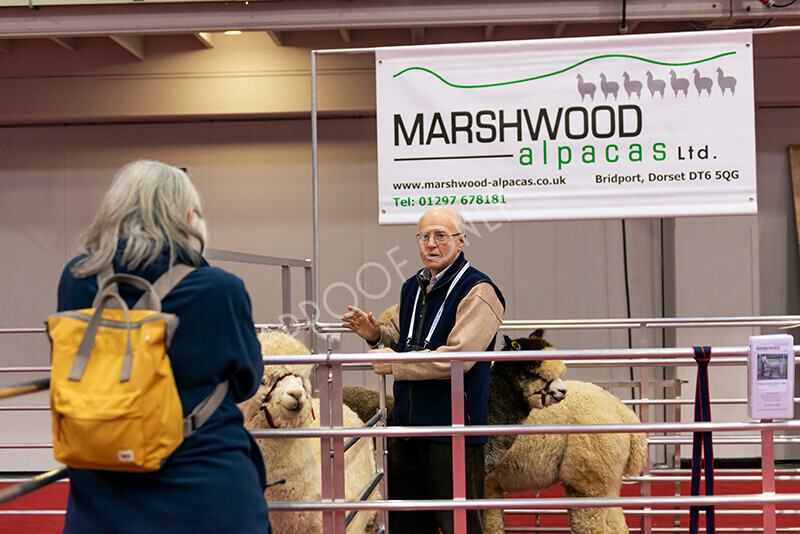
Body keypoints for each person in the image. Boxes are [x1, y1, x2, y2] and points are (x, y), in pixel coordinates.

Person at [56, 160, 271, 534]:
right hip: (208, 492)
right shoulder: (220, 288)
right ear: (189, 218)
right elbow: (246, 382)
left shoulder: (77, 280)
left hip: (102, 495)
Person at [342, 206, 505, 534]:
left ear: (461, 242)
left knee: (460, 526)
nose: (431, 244)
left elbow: (459, 357)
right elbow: (400, 340)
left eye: (441, 236)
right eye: (424, 236)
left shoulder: (480, 291)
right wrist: (376, 335)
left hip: (453, 432)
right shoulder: (412, 287)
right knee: (407, 524)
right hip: (407, 430)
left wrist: (397, 365)